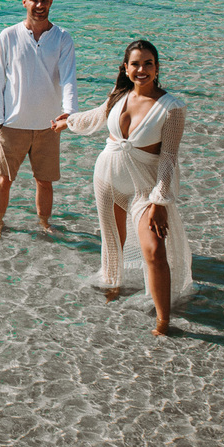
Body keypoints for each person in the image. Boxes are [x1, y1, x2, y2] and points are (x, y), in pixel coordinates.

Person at [51, 39, 192, 336]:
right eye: (136, 64)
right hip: (106, 179)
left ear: (157, 68)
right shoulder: (119, 95)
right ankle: (112, 286)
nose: (142, 69)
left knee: (154, 251)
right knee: (112, 240)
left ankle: (163, 322)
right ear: (126, 69)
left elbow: (168, 159)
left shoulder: (171, 107)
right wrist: (69, 122)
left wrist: (160, 203)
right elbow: (96, 117)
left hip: (144, 188)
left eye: (148, 63)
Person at [0, 0, 78, 239]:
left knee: (45, 181)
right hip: (13, 124)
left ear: (51, 2)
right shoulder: (7, 36)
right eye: (34, 0)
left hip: (48, 125)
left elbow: (69, 78)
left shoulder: (62, 37)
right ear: (24, 2)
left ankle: (44, 224)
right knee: (4, 179)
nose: (39, 5)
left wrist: (69, 114)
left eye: (44, 0)